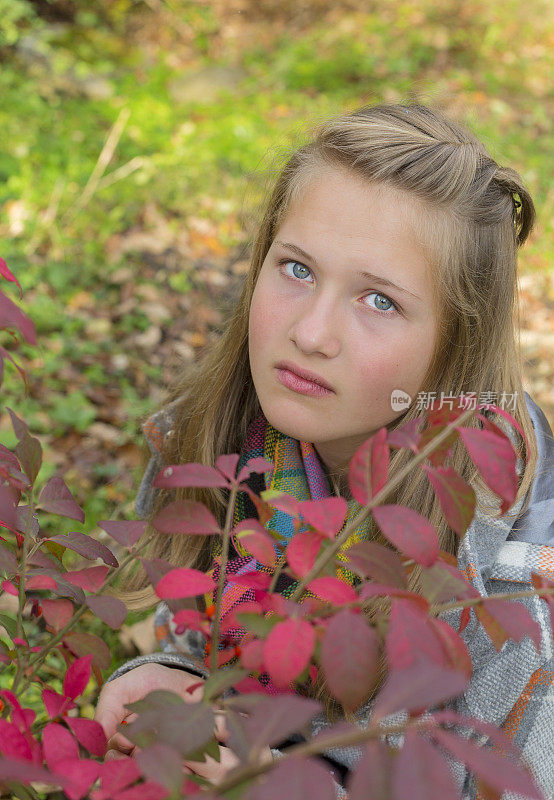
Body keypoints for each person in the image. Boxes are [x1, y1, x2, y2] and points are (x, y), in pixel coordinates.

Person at [94, 102, 554, 798]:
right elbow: (195, 636)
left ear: (453, 349)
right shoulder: (221, 444)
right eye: (299, 269)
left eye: (379, 301)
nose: (310, 333)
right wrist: (170, 677)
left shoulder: (519, 601)